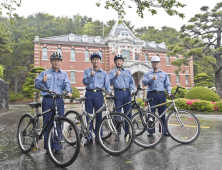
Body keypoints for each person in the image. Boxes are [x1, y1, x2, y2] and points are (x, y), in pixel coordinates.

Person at [35, 52, 73, 154]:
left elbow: (67, 84)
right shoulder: (45, 73)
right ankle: (48, 146)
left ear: (61, 62)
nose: (56, 62)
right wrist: (42, 81)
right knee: (47, 124)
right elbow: (36, 84)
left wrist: (69, 92)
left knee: (59, 122)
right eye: (54, 60)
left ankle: (58, 146)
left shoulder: (64, 74)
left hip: (59, 100)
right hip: (48, 100)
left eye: (58, 60)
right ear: (51, 61)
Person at [82, 52, 111, 146]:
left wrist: (110, 92)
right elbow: (85, 83)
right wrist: (91, 75)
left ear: (100, 61)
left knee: (99, 117)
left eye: (97, 59)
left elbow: (107, 85)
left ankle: (99, 136)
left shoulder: (104, 73)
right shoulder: (87, 71)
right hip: (89, 94)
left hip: (99, 95)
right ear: (91, 61)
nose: (96, 61)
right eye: (94, 59)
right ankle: (88, 137)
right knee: (89, 116)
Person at [142, 55, 171, 136]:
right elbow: (144, 83)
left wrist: (169, 92)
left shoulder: (164, 74)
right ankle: (151, 131)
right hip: (151, 94)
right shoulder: (148, 74)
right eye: (154, 63)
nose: (155, 64)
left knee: (162, 113)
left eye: (157, 62)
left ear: (159, 63)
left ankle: (163, 130)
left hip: (161, 94)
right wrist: (151, 79)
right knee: (151, 113)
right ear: (152, 64)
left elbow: (167, 84)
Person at [109, 55, 135, 140]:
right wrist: (115, 75)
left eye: (120, 60)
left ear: (122, 62)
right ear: (115, 62)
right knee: (117, 114)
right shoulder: (112, 72)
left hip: (127, 93)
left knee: (128, 114)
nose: (119, 62)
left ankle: (127, 132)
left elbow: (131, 82)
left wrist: (132, 90)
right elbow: (109, 82)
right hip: (117, 93)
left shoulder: (127, 72)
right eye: (117, 61)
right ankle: (117, 133)